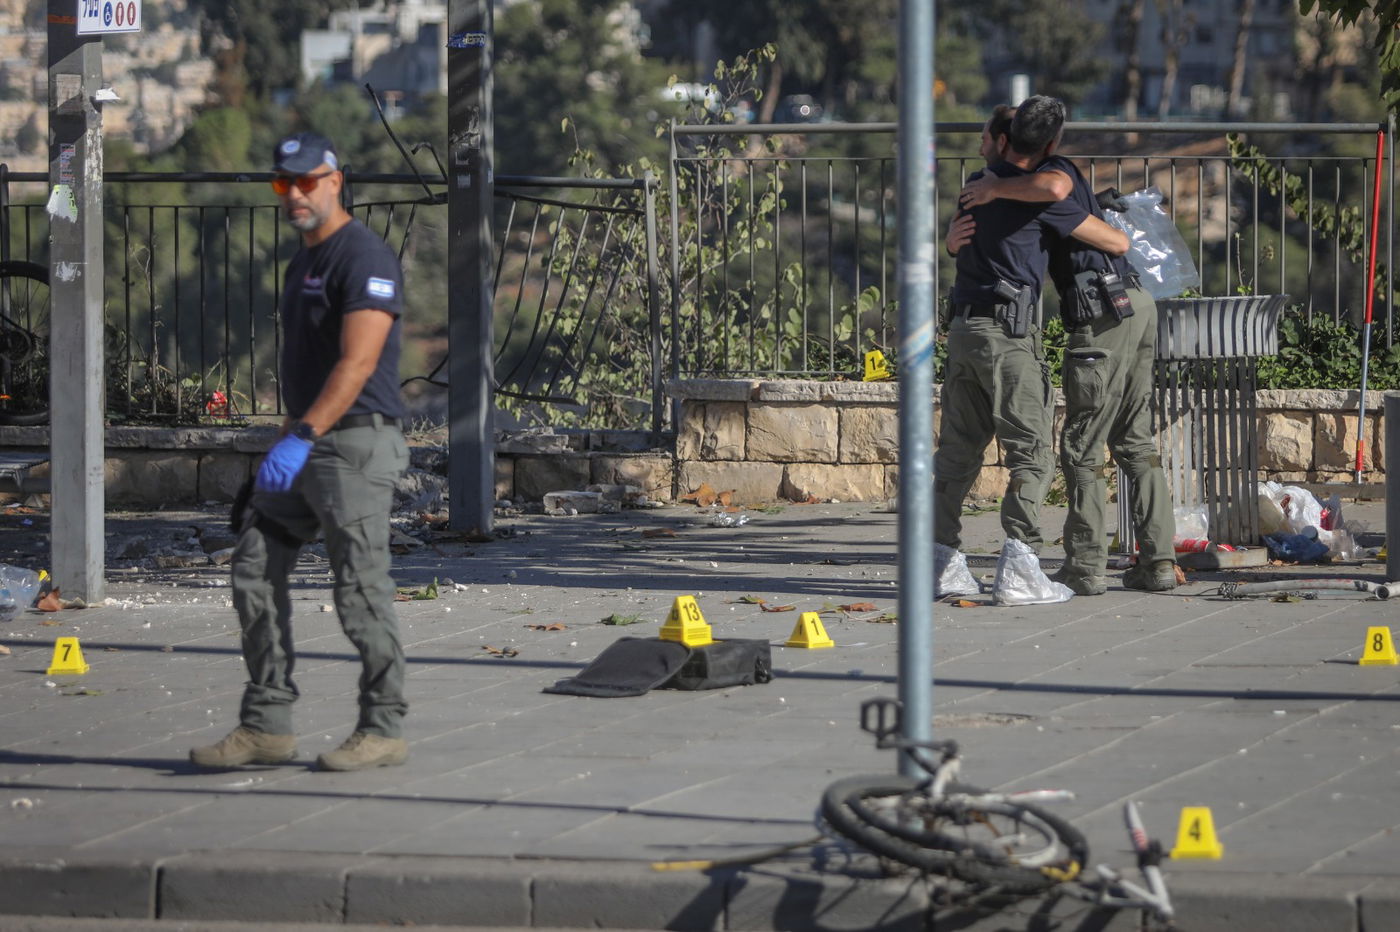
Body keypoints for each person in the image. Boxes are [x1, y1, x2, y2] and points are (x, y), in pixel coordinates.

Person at [191, 131, 412, 772]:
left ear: (335, 181)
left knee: (359, 590)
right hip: (305, 441)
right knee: (254, 571)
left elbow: (360, 360)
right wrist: (289, 440)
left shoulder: (362, 255)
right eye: (283, 183)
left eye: (306, 180)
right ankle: (267, 724)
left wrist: (301, 436)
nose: (294, 194)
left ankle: (384, 726)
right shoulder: (304, 262)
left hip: (351, 445)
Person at [958, 110, 1178, 595]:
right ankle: (1158, 562)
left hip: (1101, 317)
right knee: (1135, 440)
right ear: (1054, 139)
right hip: (1136, 305)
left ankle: (1085, 567)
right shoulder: (1067, 171)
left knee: (1081, 448)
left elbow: (1112, 237)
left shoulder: (1041, 189)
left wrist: (994, 192)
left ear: (1004, 141)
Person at [936, 97, 1129, 601]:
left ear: (1001, 140)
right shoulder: (1039, 193)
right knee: (1031, 455)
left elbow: (963, 245)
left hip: (963, 330)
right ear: (1049, 145)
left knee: (957, 452)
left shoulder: (975, 187)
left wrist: (950, 244)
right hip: (1006, 339)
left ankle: (939, 560)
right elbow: (1114, 242)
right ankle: (1021, 566)